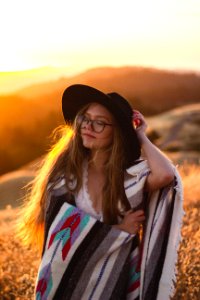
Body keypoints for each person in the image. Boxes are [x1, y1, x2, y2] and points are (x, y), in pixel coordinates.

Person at [18, 84, 183, 300]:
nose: (88, 126)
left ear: (117, 134)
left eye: (100, 123)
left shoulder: (126, 180)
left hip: (112, 285)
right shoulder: (63, 180)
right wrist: (117, 230)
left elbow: (165, 176)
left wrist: (141, 136)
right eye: (86, 118)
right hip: (66, 288)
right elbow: (57, 246)